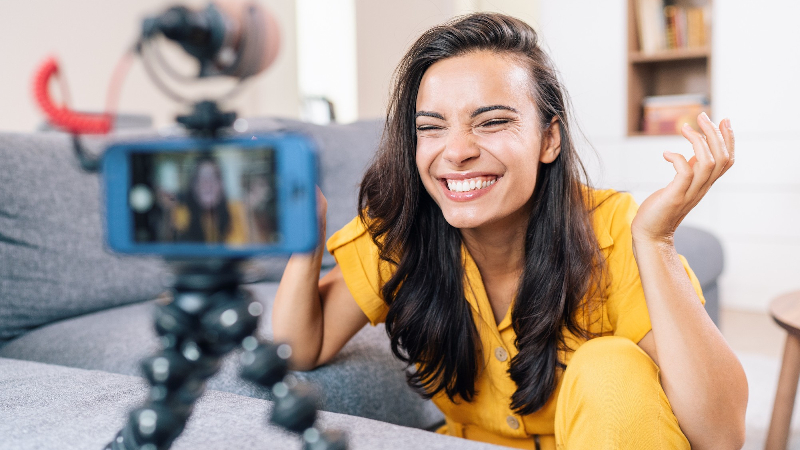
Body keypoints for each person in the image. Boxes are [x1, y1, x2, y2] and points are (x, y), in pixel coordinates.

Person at [272, 13, 747, 450]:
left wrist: (655, 241)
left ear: (549, 138)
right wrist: (304, 239)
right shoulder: (400, 231)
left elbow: (721, 434)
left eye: (493, 121)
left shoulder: (611, 230)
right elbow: (297, 350)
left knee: (610, 366)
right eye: (431, 128)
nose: (456, 151)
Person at [177, 156, 247, 245]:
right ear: (193, 186)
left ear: (221, 184)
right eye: (201, 178)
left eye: (214, 177)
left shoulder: (235, 210)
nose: (208, 184)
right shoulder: (181, 213)